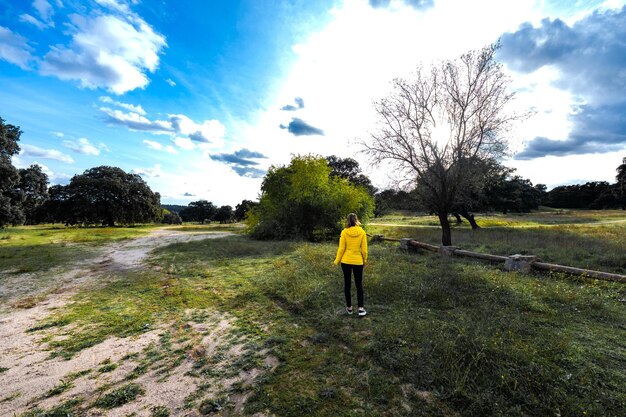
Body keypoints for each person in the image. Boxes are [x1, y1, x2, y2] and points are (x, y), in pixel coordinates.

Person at [333, 212, 368, 317]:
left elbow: (341, 248)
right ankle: (361, 309)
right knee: (359, 285)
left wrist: (336, 261)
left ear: (347, 220)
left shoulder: (344, 232)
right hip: (358, 261)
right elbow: (364, 250)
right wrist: (364, 260)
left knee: (347, 284)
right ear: (356, 220)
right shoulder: (362, 232)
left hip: (346, 261)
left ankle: (349, 308)